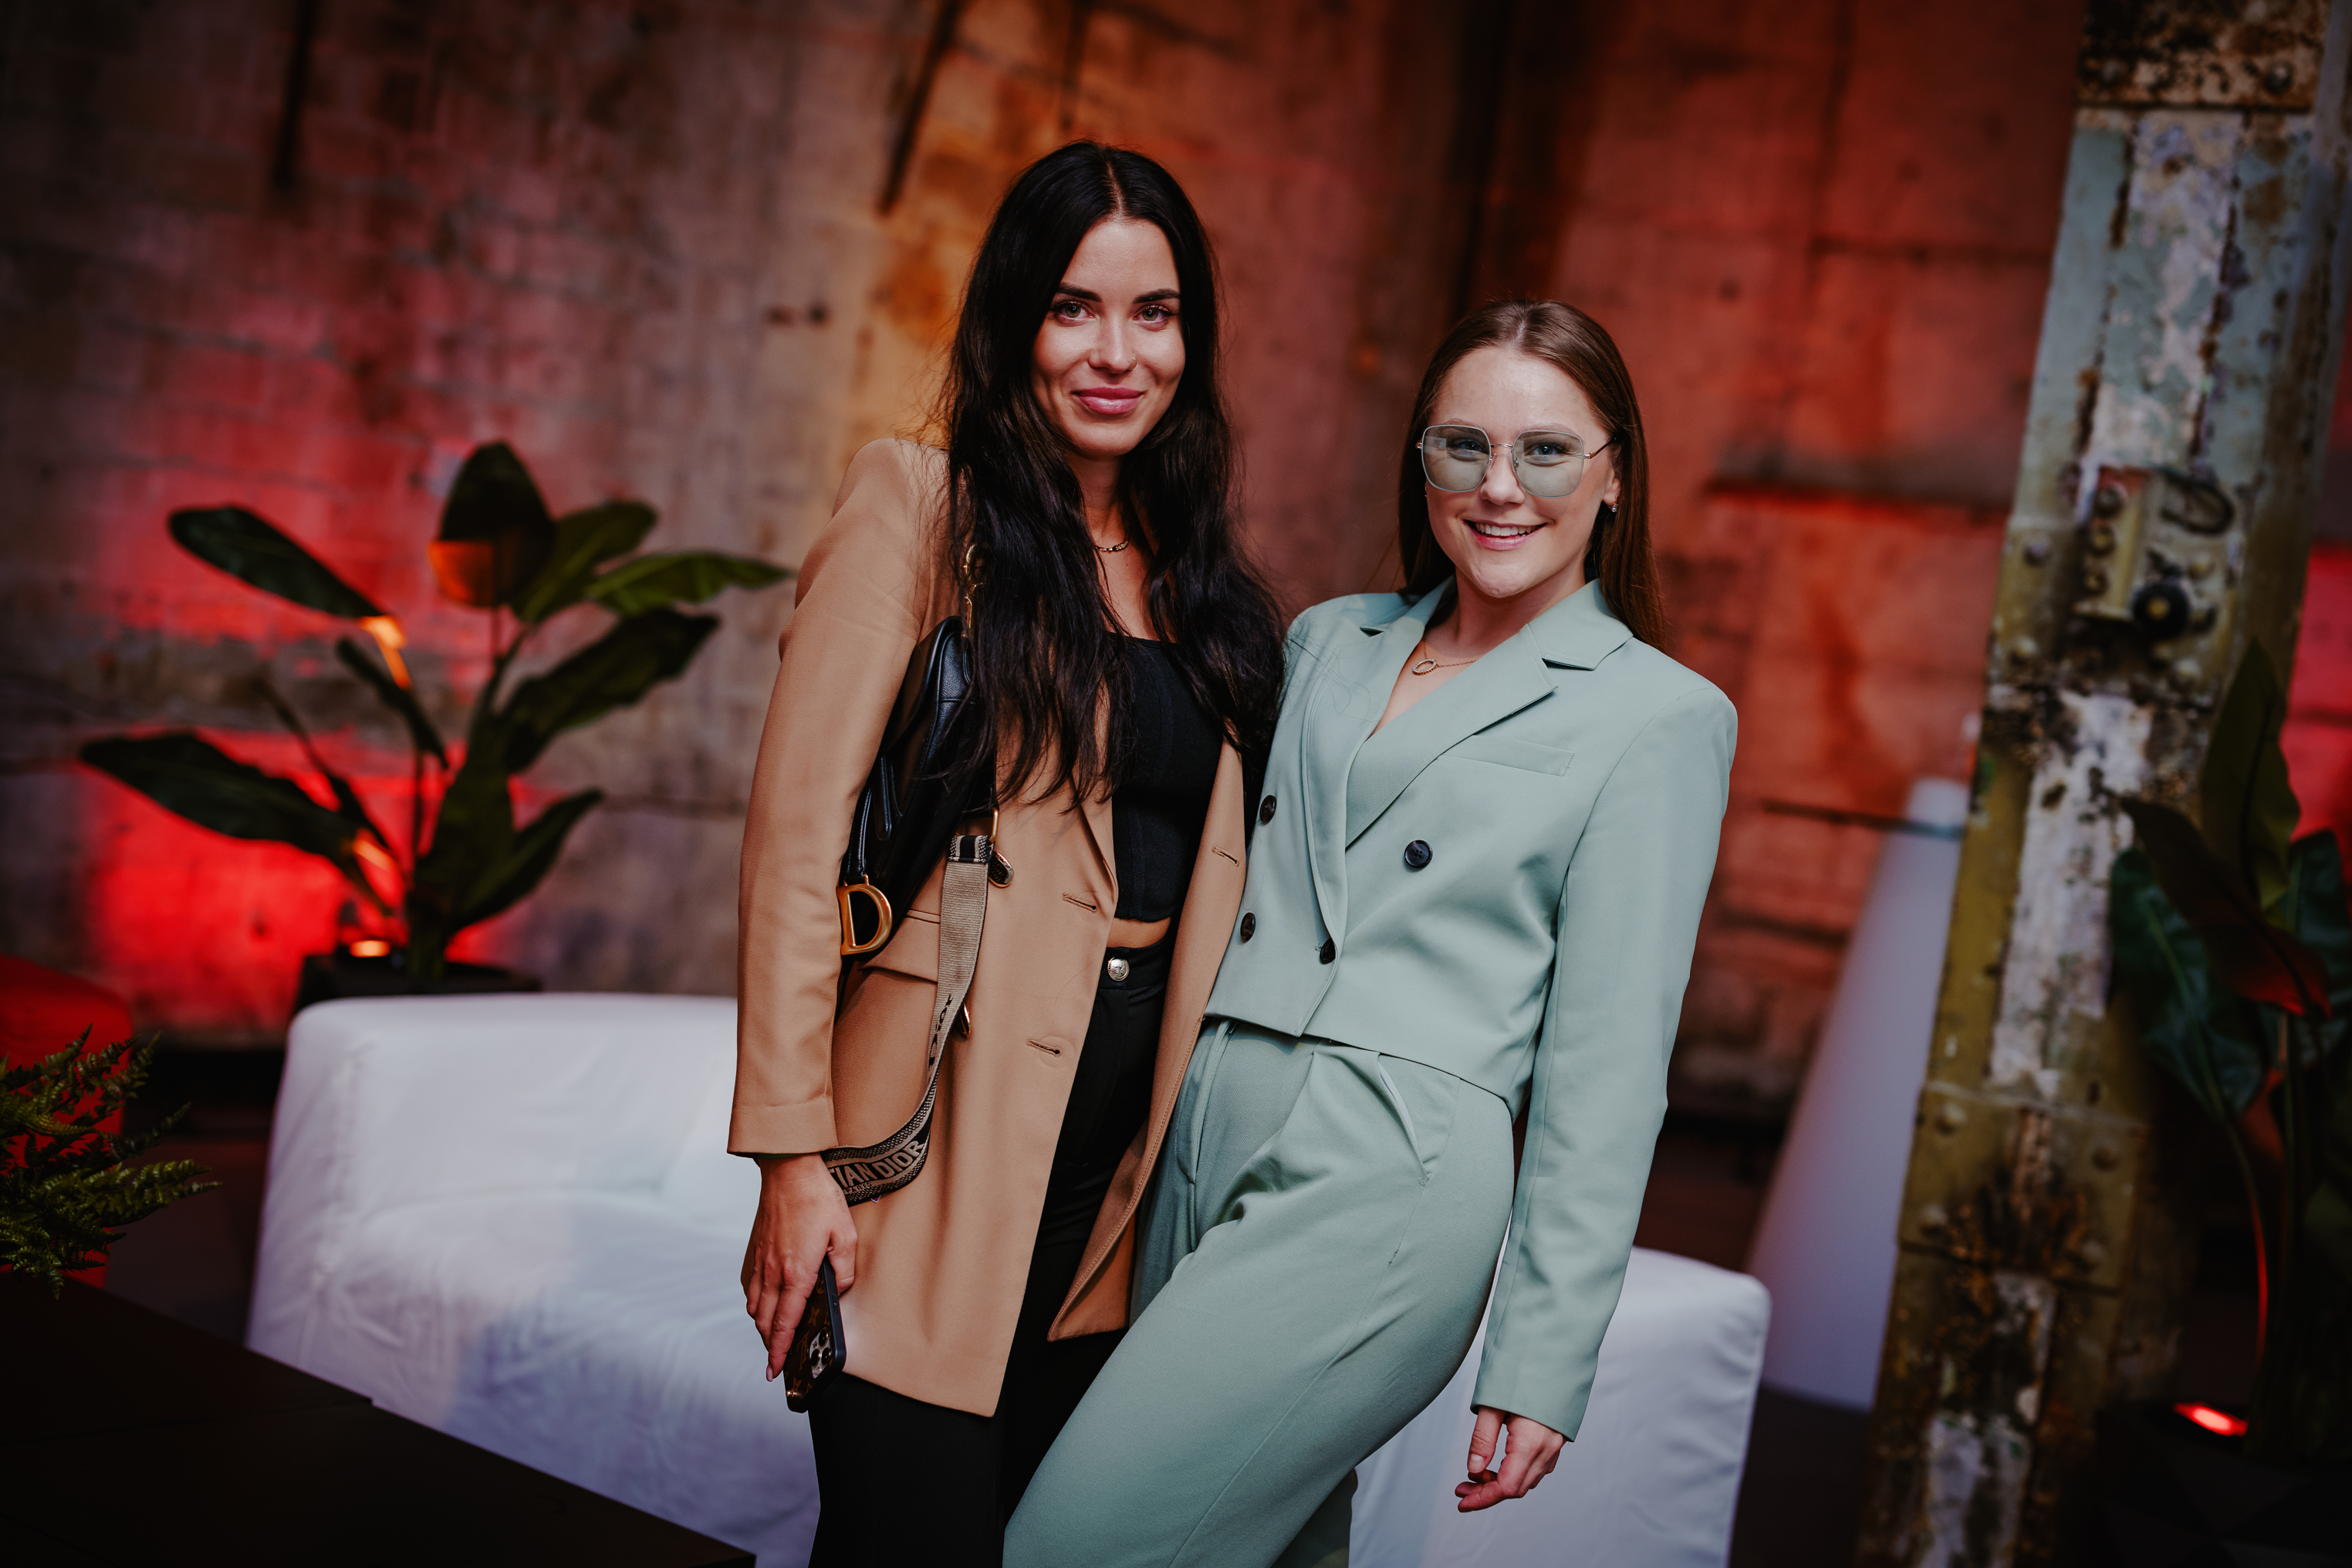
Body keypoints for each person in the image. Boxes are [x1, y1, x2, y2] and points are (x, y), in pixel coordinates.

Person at [1006, 299, 1737, 1568]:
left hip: (1388, 1171)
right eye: (1464, 446)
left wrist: (1543, 1353)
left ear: (1616, 473)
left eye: (1547, 451)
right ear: (1422, 460)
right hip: (1198, 1129)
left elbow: (1609, 1067)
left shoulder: (1657, 714)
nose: (1499, 487)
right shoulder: (1329, 639)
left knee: (1071, 1547)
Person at [731, 141, 1283, 1566]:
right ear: (1013, 321)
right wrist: (792, 1159)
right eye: (1072, 308)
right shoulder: (920, 506)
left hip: (1116, 1191)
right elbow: (795, 847)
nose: (1117, 353)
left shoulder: (1205, 581)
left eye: (1155, 314)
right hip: (924, 1150)